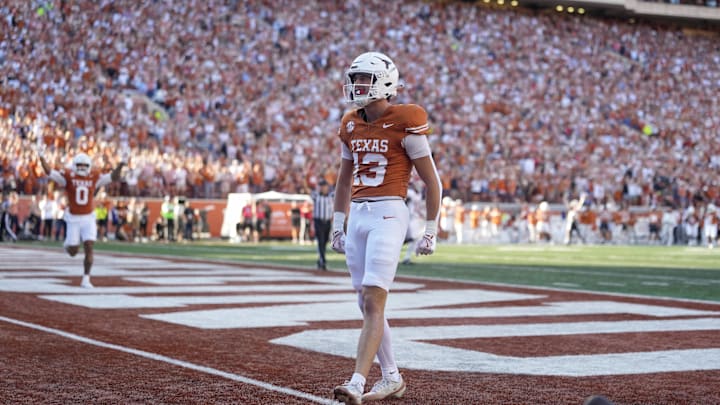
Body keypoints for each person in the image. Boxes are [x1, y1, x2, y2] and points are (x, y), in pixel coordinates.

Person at [330, 52, 442, 404]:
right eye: (356, 78)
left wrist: (431, 229)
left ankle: (357, 382)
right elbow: (344, 179)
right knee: (366, 305)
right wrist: (337, 222)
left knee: (374, 301)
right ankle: (392, 377)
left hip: (390, 213)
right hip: (360, 215)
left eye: (364, 78)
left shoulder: (406, 119)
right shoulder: (350, 123)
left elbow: (432, 181)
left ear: (385, 83)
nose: (357, 85)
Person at [37, 148, 125, 288]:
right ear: (74, 166)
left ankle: (86, 278)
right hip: (73, 218)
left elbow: (112, 177)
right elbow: (50, 173)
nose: (82, 168)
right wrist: (41, 158)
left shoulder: (94, 176)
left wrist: (121, 164)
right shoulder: (68, 176)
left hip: (88, 217)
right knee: (73, 251)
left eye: (84, 165)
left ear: (89, 166)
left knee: (89, 246)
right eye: (79, 165)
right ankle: (68, 245)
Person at [311, 179, 334, 270]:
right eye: (321, 186)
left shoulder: (331, 195)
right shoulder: (316, 195)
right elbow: (307, 189)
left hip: (327, 221)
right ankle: (323, 260)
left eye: (324, 186)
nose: (322, 188)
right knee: (320, 241)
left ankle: (320, 259)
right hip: (318, 221)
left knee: (324, 242)